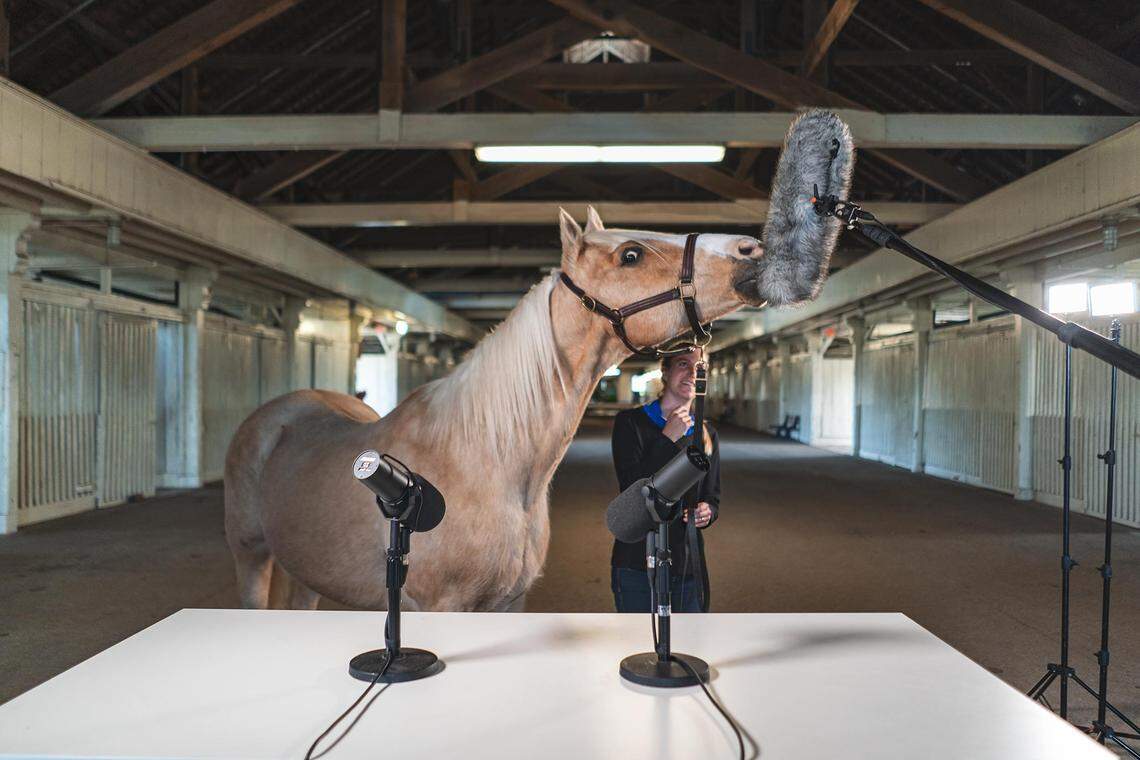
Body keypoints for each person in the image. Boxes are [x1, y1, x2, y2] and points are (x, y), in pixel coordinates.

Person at [609, 346, 721, 613]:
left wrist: (708, 512)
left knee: (689, 646)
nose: (693, 373)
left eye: (700, 367)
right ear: (665, 371)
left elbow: (712, 496)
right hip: (636, 559)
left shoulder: (706, 433)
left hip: (686, 564)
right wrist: (666, 439)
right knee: (636, 645)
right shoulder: (631, 423)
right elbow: (632, 490)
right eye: (684, 364)